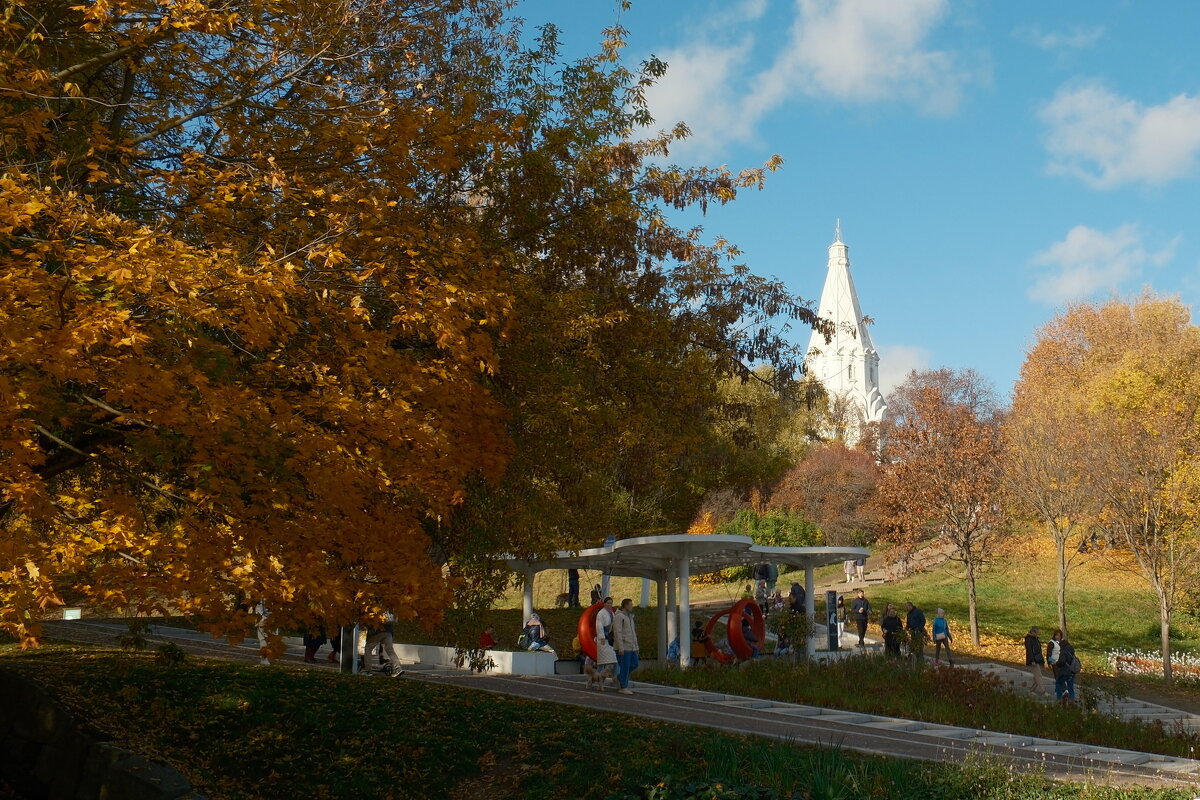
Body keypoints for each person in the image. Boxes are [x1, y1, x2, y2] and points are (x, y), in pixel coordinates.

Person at [613, 598, 640, 694]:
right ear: (625, 606)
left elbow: (633, 633)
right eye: (630, 604)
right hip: (624, 646)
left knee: (634, 664)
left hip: (631, 646)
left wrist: (636, 646)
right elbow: (617, 632)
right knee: (625, 666)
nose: (632, 606)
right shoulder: (619, 617)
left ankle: (620, 678)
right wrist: (620, 647)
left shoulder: (630, 617)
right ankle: (623, 686)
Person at [1052, 630, 1078, 703]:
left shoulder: (1063, 652)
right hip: (1072, 672)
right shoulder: (1071, 651)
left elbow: (1062, 661)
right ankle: (1071, 700)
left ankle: (1059, 698)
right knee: (1070, 686)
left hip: (1065, 672)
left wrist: (1057, 664)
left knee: (1059, 683)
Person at [1024, 626, 1045, 694]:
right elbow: (1029, 650)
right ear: (1032, 632)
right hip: (1033, 660)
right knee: (1039, 676)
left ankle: (1031, 690)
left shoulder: (1036, 639)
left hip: (1038, 659)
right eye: (1036, 632)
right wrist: (1032, 660)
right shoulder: (1028, 639)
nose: (1037, 634)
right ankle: (1043, 691)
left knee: (1037, 677)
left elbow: (1039, 650)